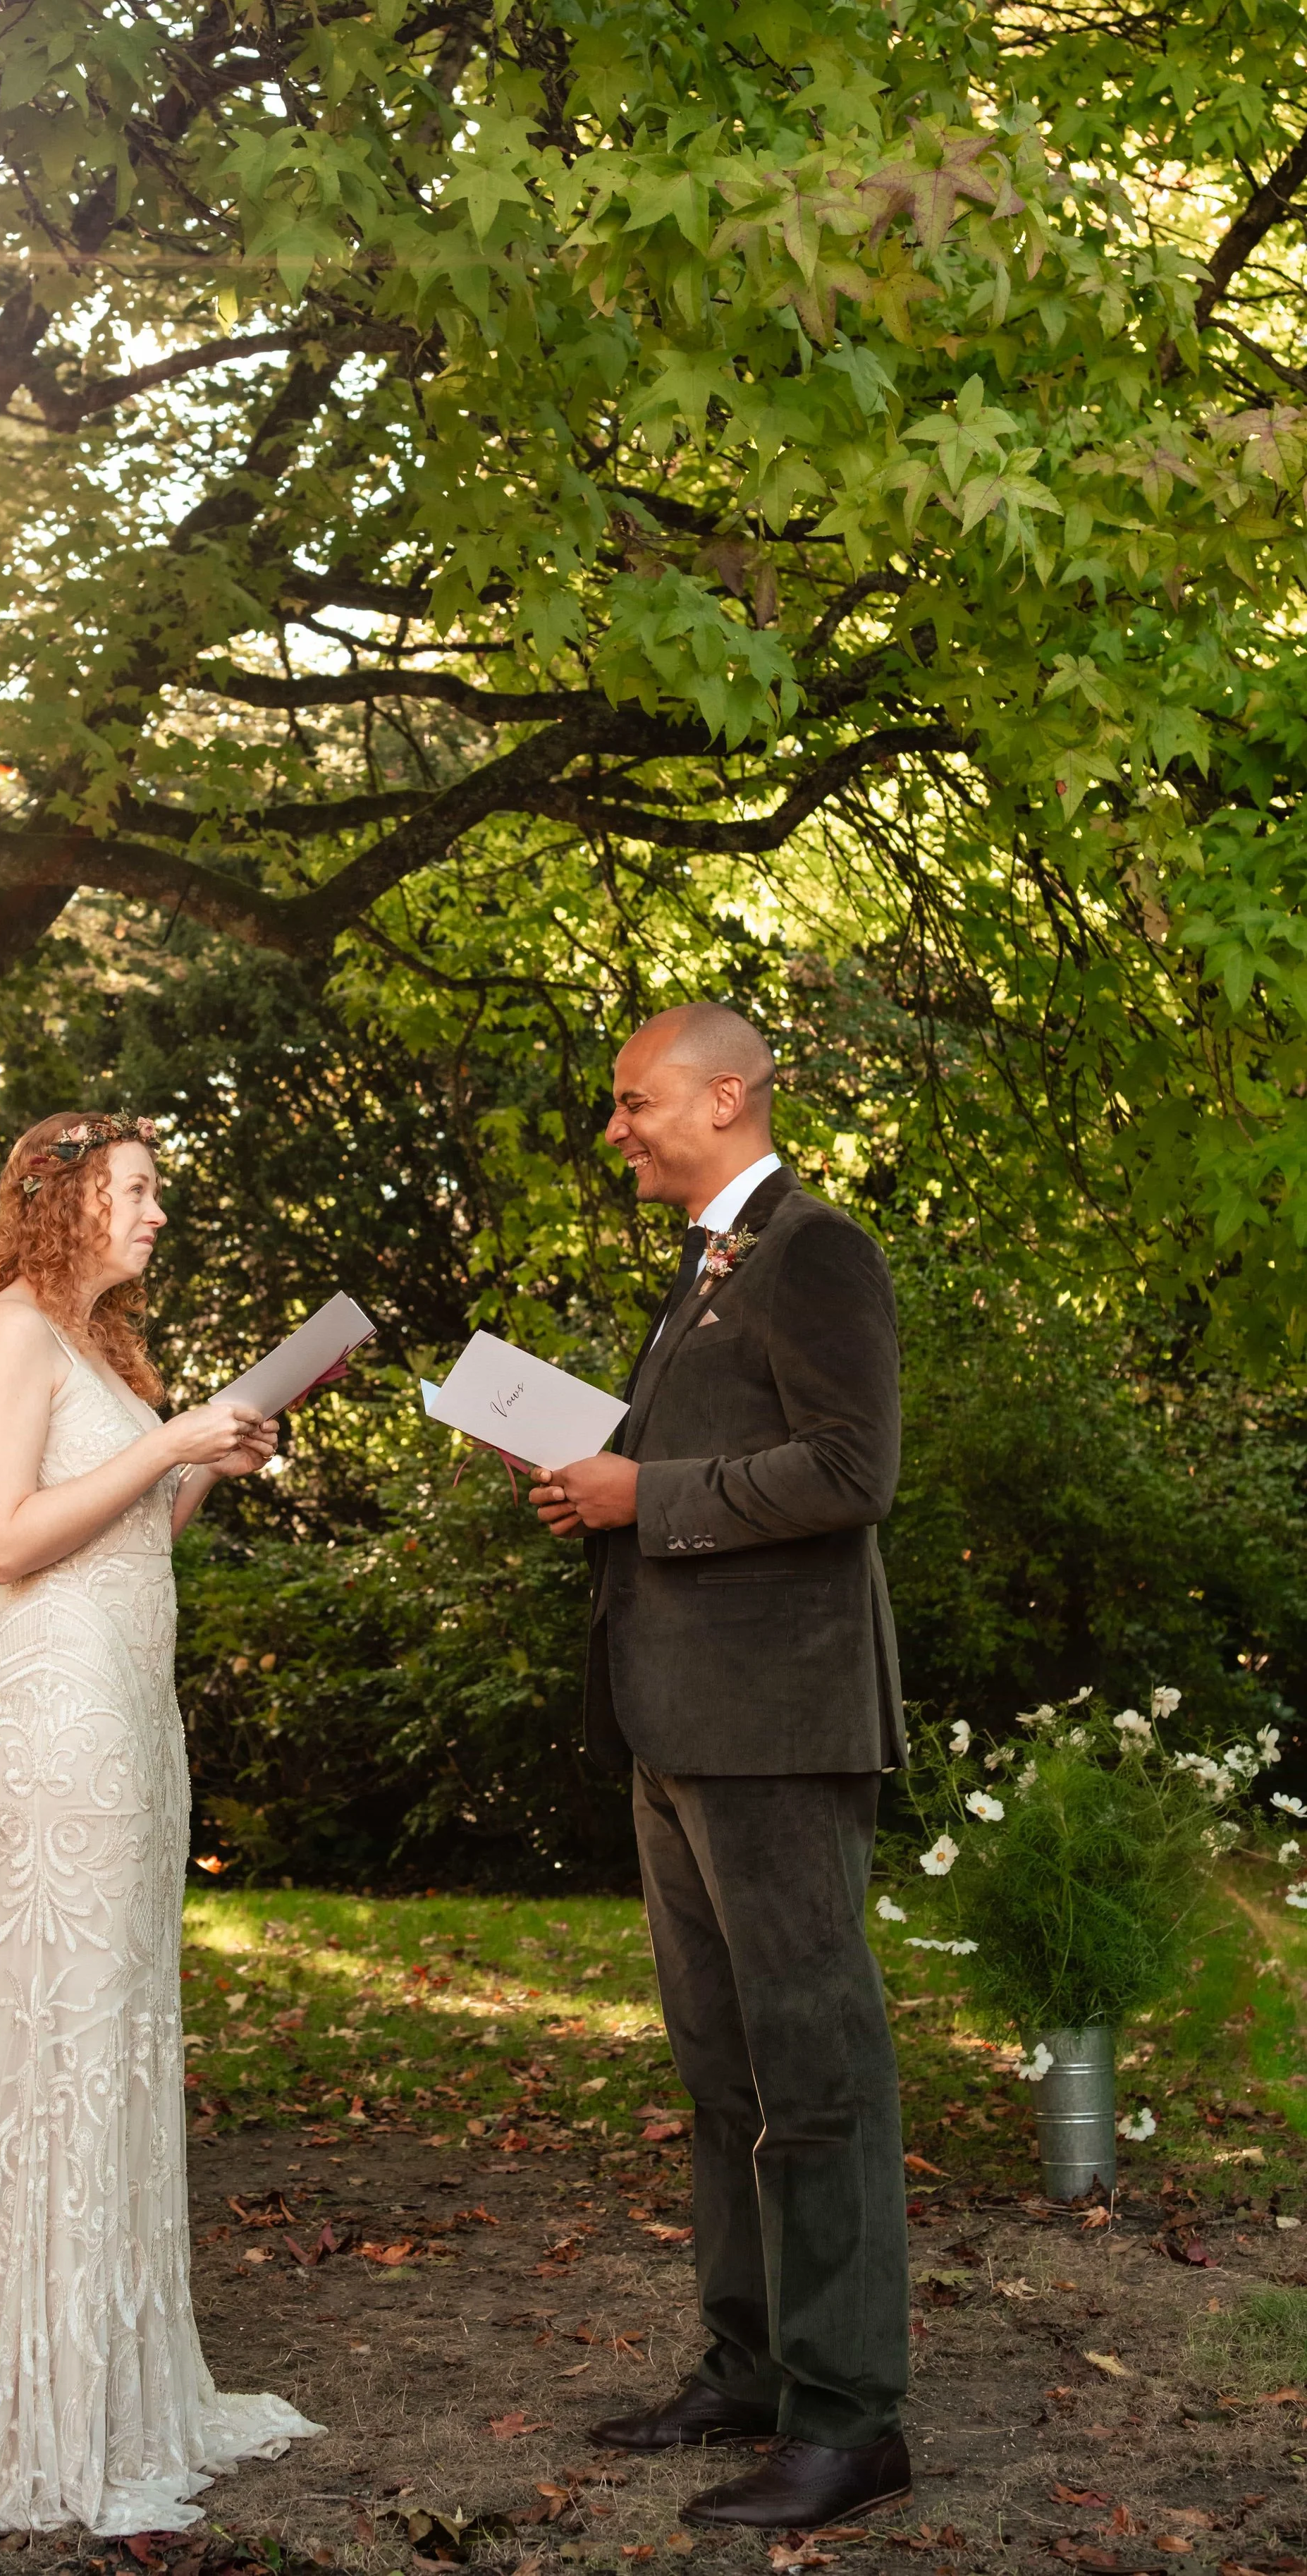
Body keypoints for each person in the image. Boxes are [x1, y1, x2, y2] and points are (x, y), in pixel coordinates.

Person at [0, 1111, 322, 2536]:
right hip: (50, 1714)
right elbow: (2, 1539)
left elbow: (117, 1530)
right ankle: (29, 2415)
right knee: (57, 2041)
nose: (155, 1215)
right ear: (57, 1203)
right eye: (134, 1192)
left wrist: (192, 1468)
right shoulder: (9, 1331)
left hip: (125, 1706)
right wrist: (168, 1440)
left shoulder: (95, 1346)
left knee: (112, 2037)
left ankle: (113, 2388)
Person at [529, 1005, 911, 2534]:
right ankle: (749, 2368)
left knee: (814, 2076)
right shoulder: (705, 1267)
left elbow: (849, 1470)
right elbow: (704, 1469)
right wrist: (594, 1486)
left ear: (726, 1097)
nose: (614, 1128)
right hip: (675, 1724)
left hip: (775, 1729)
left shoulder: (817, 1249)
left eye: (633, 1103)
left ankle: (848, 2421)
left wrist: (649, 1491)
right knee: (720, 2075)